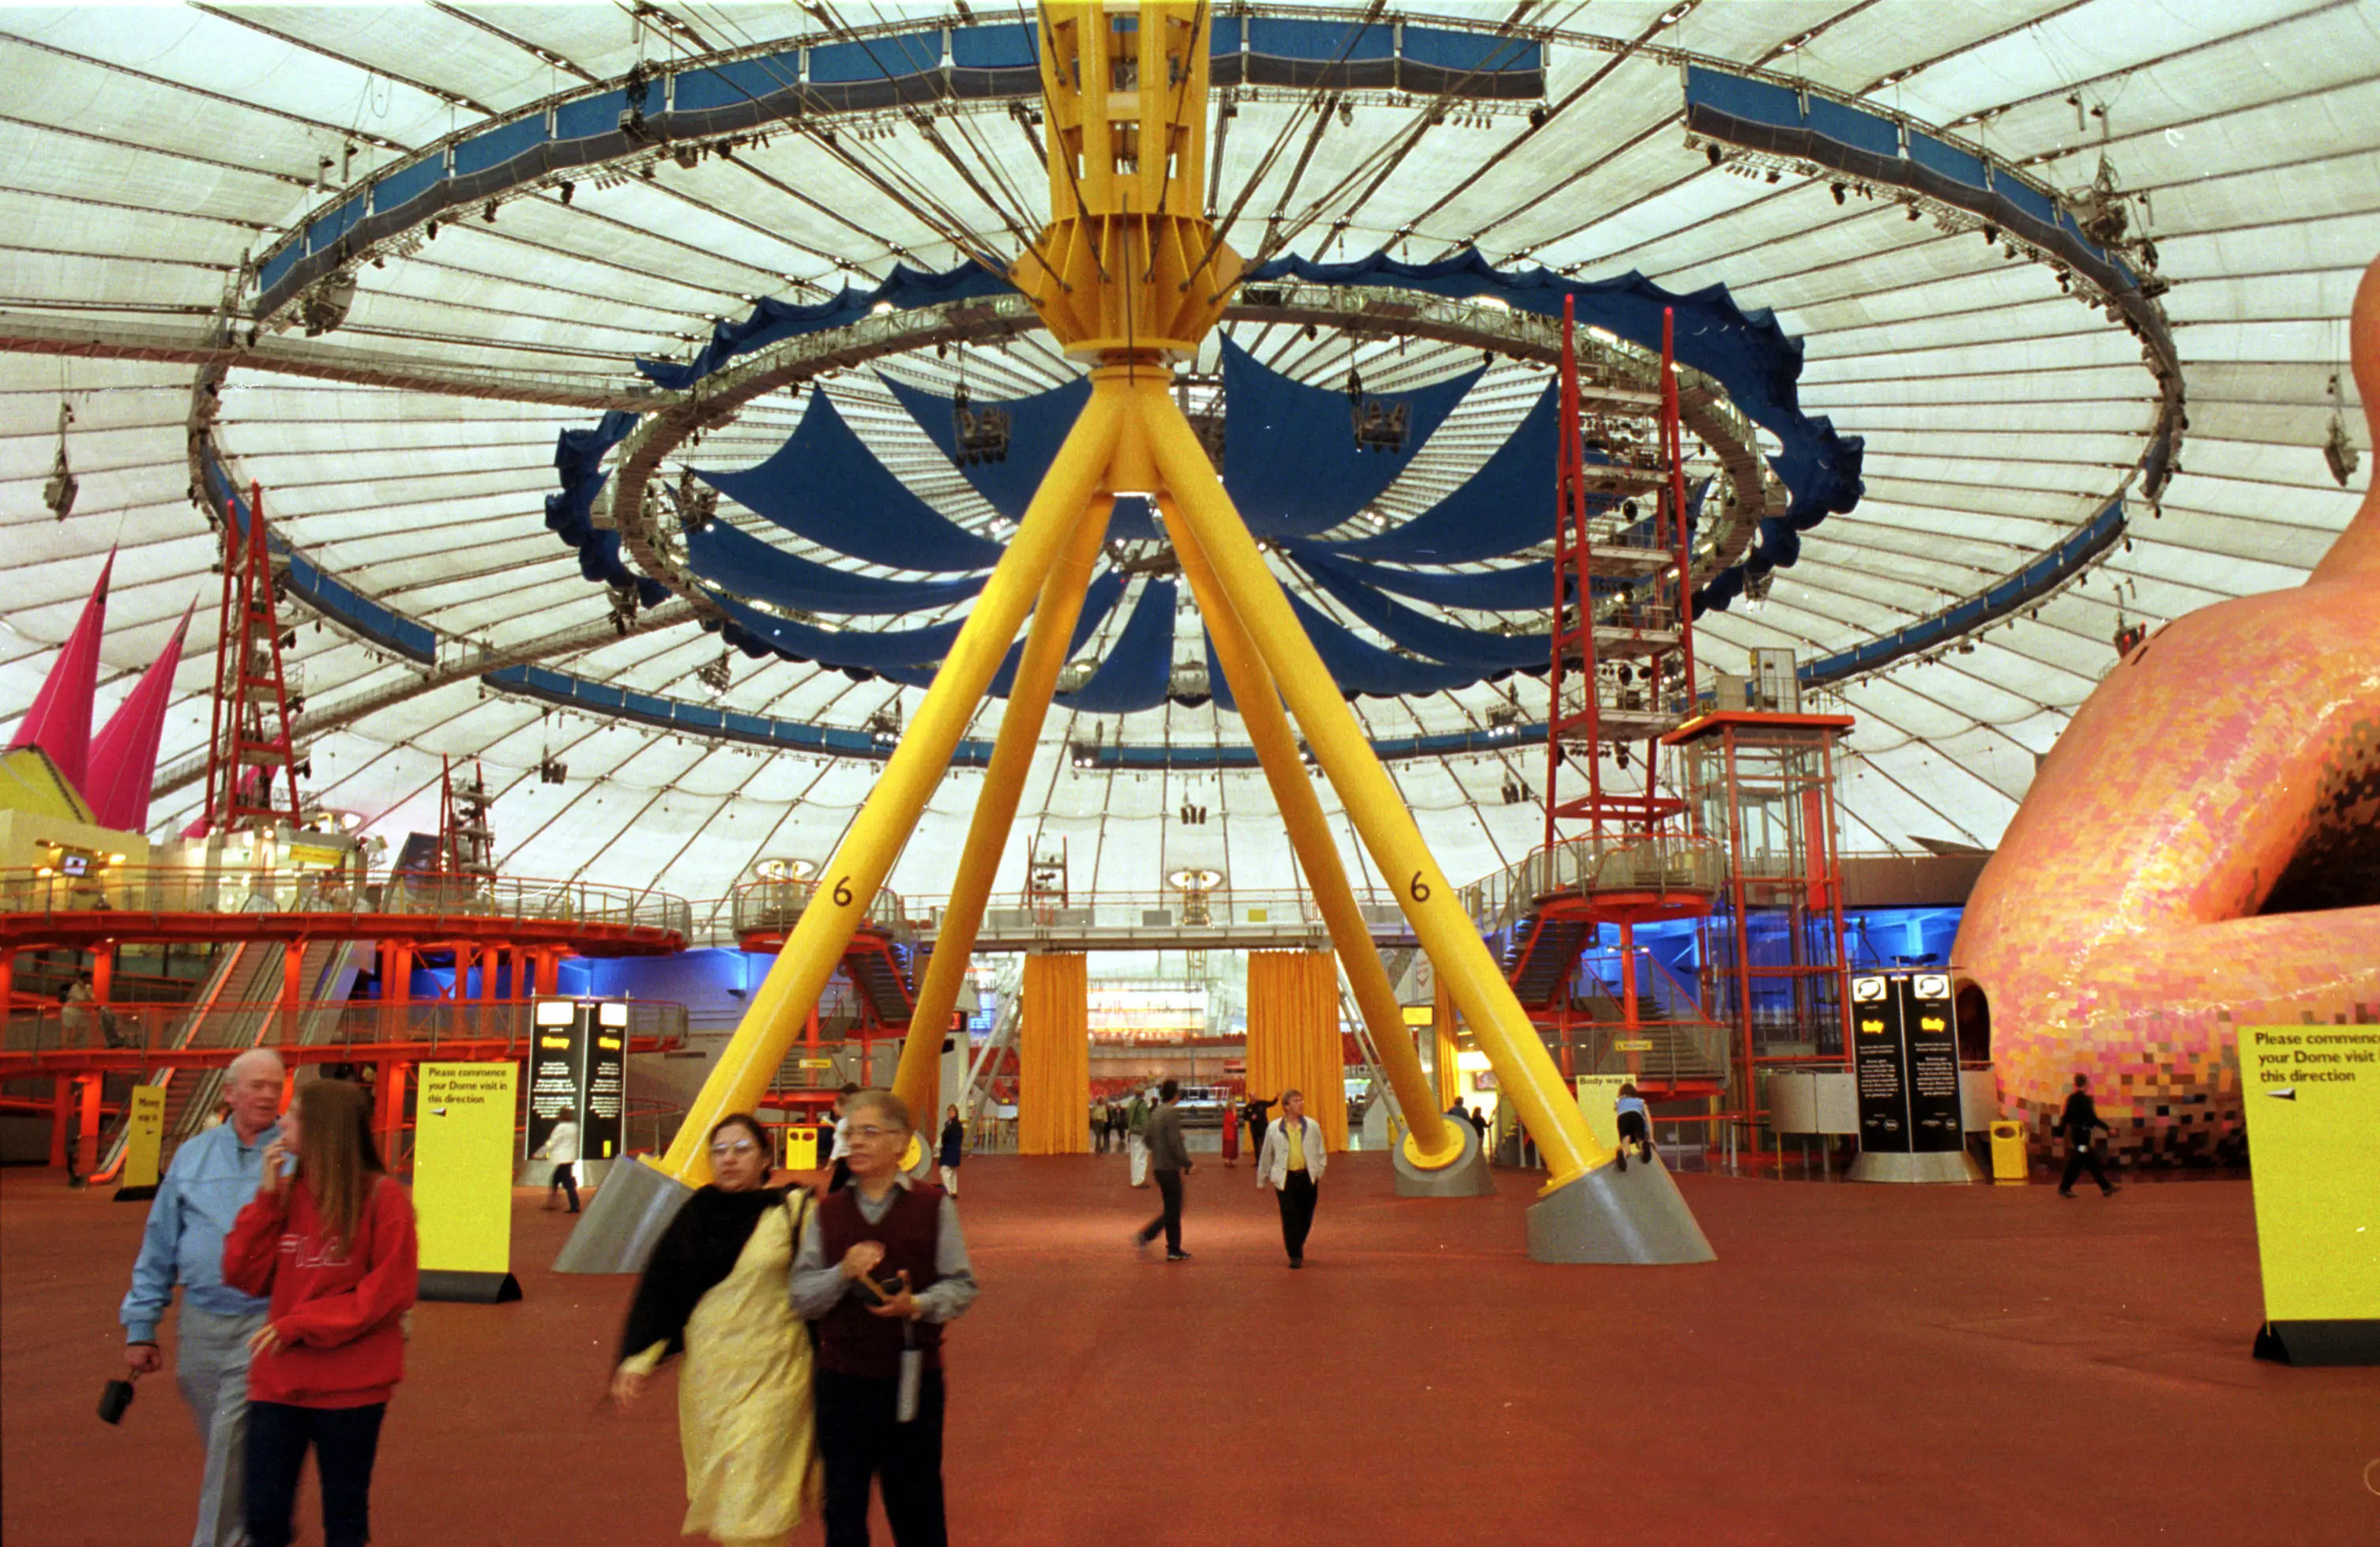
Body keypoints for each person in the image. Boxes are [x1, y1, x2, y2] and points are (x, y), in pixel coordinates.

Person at [221, 1078, 419, 1547]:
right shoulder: (286, 1193)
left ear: (322, 1127)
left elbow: (384, 1295)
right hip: (279, 1383)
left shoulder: (384, 1199)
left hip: (350, 1389)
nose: (281, 1120)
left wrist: (299, 1323)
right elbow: (241, 1273)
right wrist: (267, 1200)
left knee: (344, 1516)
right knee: (263, 1514)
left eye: (293, 1113)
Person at [614, 1112, 822, 1547]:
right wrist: (638, 1360)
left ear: (767, 1156)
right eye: (720, 1150)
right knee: (733, 1495)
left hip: (777, 1374)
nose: (729, 1159)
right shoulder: (694, 1216)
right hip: (710, 1379)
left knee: (754, 1492)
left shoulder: (794, 1210)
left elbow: (825, 1283)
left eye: (742, 1149)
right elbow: (661, 1291)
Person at [790, 1090, 979, 1547]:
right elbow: (800, 1296)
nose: (854, 1142)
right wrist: (842, 1273)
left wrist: (917, 1305)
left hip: (912, 1381)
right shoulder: (827, 1212)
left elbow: (961, 1286)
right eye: (849, 1133)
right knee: (844, 1513)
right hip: (840, 1382)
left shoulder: (933, 1206)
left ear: (902, 1143)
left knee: (917, 1512)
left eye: (868, 1133)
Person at [121, 1046, 287, 1547]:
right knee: (228, 1443)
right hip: (199, 1325)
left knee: (229, 1438)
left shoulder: (298, 1152)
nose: (267, 1094)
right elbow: (160, 1241)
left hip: (266, 1324)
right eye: (256, 1085)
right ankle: (264, 1523)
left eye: (276, 1086)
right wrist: (141, 1326)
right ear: (229, 1094)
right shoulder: (192, 1155)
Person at [1254, 1088, 1327, 1268]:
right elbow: (1266, 1155)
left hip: (1307, 1177)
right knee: (1289, 1216)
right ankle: (1295, 1254)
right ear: (1286, 1106)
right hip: (1286, 1179)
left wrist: (1319, 1170)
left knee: (1306, 1216)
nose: (1300, 1104)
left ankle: (1297, 1243)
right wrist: (1261, 1178)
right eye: (1295, 1101)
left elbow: (1320, 1149)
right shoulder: (1274, 1128)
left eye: (1301, 1100)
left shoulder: (1312, 1126)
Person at [1131, 1079, 1193, 1261]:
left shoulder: (1156, 1112)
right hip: (1169, 1167)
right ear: (1175, 1095)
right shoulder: (1171, 1114)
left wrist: (1159, 1149)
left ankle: (1173, 1248)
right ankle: (1148, 1235)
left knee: (1171, 1207)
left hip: (1158, 1166)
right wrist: (1187, 1163)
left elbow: (1148, 1139)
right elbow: (1175, 1143)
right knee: (1174, 1209)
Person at [2057, 1074, 2119, 1199]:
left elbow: (2065, 1118)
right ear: (2085, 1084)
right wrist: (2107, 1128)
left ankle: (2105, 1186)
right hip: (2083, 1138)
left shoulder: (2072, 1099)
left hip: (2077, 1136)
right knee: (2085, 1160)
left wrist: (2059, 1134)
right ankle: (2105, 1187)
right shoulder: (2086, 1100)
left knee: (2085, 1161)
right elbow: (2092, 1119)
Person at [536, 1113, 581, 1213]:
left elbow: (553, 1142)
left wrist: (541, 1153)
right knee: (556, 1179)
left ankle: (574, 1205)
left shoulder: (560, 1128)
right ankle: (553, 1202)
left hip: (562, 1158)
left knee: (566, 1182)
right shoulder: (574, 1127)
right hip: (569, 1157)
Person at [828, 1082, 862, 1193]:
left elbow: (840, 1143)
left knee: (835, 1189)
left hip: (847, 1157)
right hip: (857, 1155)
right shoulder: (860, 1113)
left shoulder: (846, 1120)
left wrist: (831, 1160)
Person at [1613, 1082, 1654, 1172]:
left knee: (1626, 1144)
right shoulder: (1640, 1101)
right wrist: (1651, 1138)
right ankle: (1643, 1145)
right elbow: (1648, 1119)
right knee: (1640, 1140)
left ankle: (1624, 1152)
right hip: (1636, 1116)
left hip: (1622, 1118)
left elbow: (1618, 1114)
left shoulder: (1618, 1102)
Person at [1124, 1088, 1151, 1188]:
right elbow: (1144, 1121)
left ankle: (1134, 1179)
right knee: (1142, 1157)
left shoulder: (1131, 1103)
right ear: (1143, 1093)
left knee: (1134, 1156)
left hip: (1132, 1132)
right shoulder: (1143, 1105)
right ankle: (1139, 1180)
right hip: (1141, 1133)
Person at [938, 1105, 964, 1197]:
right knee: (952, 1171)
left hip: (950, 1150)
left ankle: (948, 1190)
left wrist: (941, 1145)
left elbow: (947, 1137)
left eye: (952, 1111)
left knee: (944, 1170)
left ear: (956, 1113)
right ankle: (953, 1190)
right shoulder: (953, 1124)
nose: (950, 1113)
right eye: (949, 1111)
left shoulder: (954, 1125)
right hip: (953, 1151)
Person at [1219, 1100, 1240, 1168]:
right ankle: (1227, 1160)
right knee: (1229, 1147)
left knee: (1232, 1146)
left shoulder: (1233, 1113)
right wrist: (1234, 1115)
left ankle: (1230, 1160)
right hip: (1229, 1132)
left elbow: (1236, 1121)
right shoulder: (1228, 1113)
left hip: (1233, 1132)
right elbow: (1232, 1121)